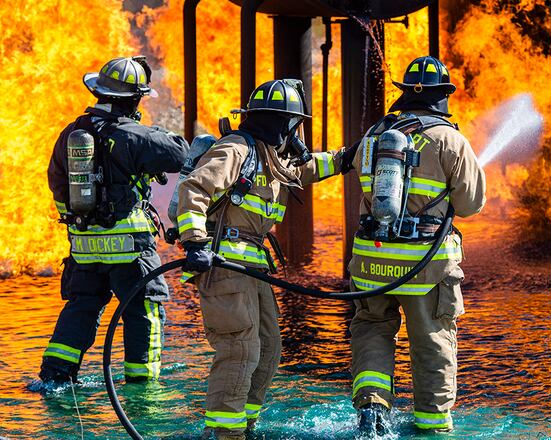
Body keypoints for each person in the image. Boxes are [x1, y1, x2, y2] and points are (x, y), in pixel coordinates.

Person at [176, 79, 354, 440]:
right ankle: (225, 433)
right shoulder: (236, 150)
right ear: (281, 122)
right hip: (223, 265)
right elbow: (193, 188)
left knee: (269, 347)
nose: (295, 133)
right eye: (293, 124)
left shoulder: (267, 155)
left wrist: (344, 159)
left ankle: (245, 424)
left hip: (252, 266)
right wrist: (195, 242)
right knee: (240, 347)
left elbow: (299, 172)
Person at [346, 56, 486, 433]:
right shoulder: (449, 139)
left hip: (372, 261)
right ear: (443, 97)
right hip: (425, 264)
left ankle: (372, 410)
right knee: (432, 341)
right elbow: (471, 204)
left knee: (372, 329)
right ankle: (432, 423)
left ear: (405, 94)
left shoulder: (375, 135)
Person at [40, 56, 189, 386]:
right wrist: (153, 128)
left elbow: (56, 180)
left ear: (99, 93)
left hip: (83, 247)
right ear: (134, 98)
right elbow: (180, 152)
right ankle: (141, 388)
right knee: (144, 307)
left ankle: (56, 376)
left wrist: (78, 219)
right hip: (129, 248)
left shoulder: (71, 134)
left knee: (83, 305)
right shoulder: (132, 135)